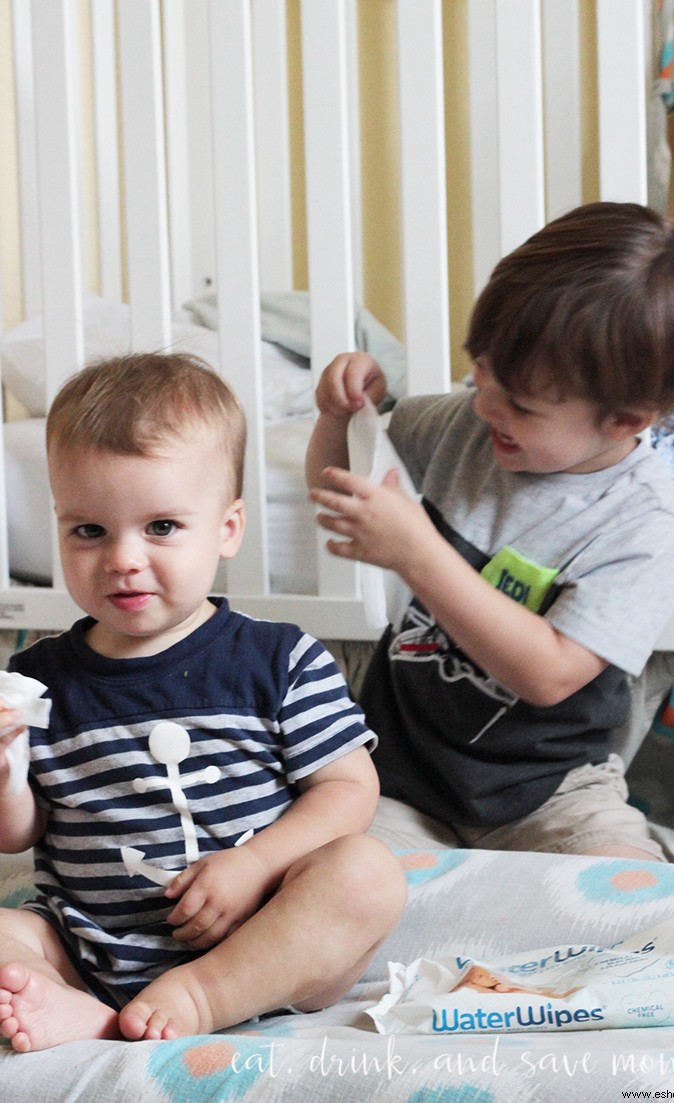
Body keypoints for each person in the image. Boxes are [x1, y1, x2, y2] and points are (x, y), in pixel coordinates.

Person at [0, 353, 406, 1053]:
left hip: (262, 935)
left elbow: (348, 788)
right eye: (88, 530)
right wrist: (5, 768)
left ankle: (202, 995)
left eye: (160, 526)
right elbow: (18, 832)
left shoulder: (278, 660)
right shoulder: (38, 677)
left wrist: (254, 865)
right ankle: (88, 1013)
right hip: (90, 944)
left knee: (366, 874)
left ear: (227, 528)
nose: (123, 557)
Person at [306, 201, 674, 862]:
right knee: (331, 876)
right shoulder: (460, 427)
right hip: (399, 776)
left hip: (554, 792)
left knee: (635, 893)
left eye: (520, 405)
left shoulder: (644, 523)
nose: (484, 407)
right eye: (481, 374)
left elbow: (550, 674)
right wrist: (339, 417)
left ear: (624, 419)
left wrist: (418, 552)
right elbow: (338, 482)